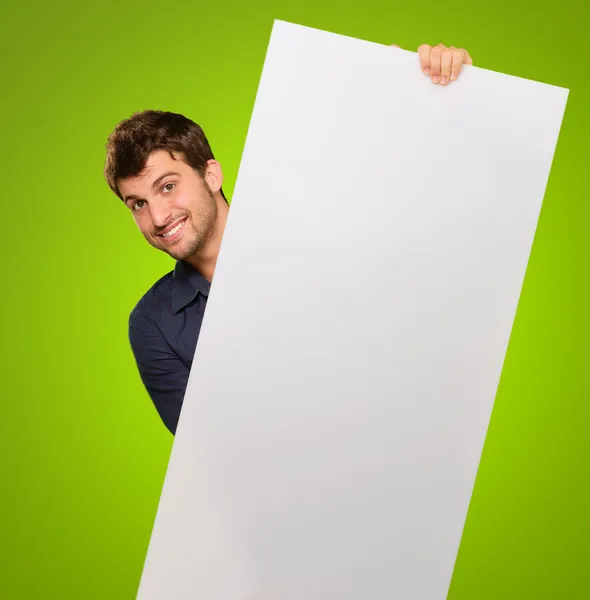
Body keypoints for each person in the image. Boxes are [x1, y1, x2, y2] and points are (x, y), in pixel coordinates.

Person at [104, 43, 474, 434]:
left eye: (167, 187)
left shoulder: (317, 225)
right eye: (138, 204)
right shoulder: (152, 324)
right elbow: (209, 453)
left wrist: (438, 95)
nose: (158, 217)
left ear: (211, 175)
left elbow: (429, 235)